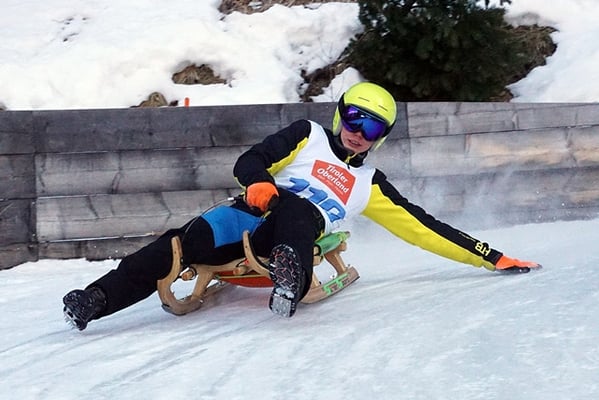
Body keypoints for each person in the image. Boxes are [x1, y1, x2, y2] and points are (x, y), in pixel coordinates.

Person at [63, 82, 540, 330]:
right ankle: (96, 300)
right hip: (248, 215)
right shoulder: (307, 135)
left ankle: (291, 279)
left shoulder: (370, 184)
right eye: (354, 118)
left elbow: (426, 228)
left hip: (290, 232)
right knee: (177, 245)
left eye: (372, 128)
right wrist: (258, 182)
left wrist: (492, 256)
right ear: (339, 114)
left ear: (381, 138)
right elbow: (251, 160)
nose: (359, 132)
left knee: (298, 209)